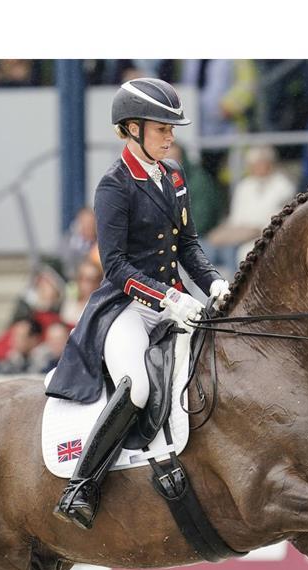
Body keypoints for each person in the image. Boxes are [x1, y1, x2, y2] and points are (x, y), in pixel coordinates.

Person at [44, 78, 229, 530]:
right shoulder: (114, 186)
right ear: (131, 129)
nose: (171, 136)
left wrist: (216, 284)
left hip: (174, 300)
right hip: (126, 306)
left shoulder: (175, 177)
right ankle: (82, 486)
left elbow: (188, 247)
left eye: (171, 129)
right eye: (162, 128)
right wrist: (167, 298)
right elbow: (116, 266)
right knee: (138, 386)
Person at [203, 145, 296, 271]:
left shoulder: (283, 186)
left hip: (263, 237)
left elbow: (274, 222)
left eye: (258, 163)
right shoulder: (245, 185)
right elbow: (235, 219)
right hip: (237, 233)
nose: (254, 167)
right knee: (204, 248)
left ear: (269, 163)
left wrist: (243, 233)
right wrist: (220, 234)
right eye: (251, 164)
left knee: (235, 252)